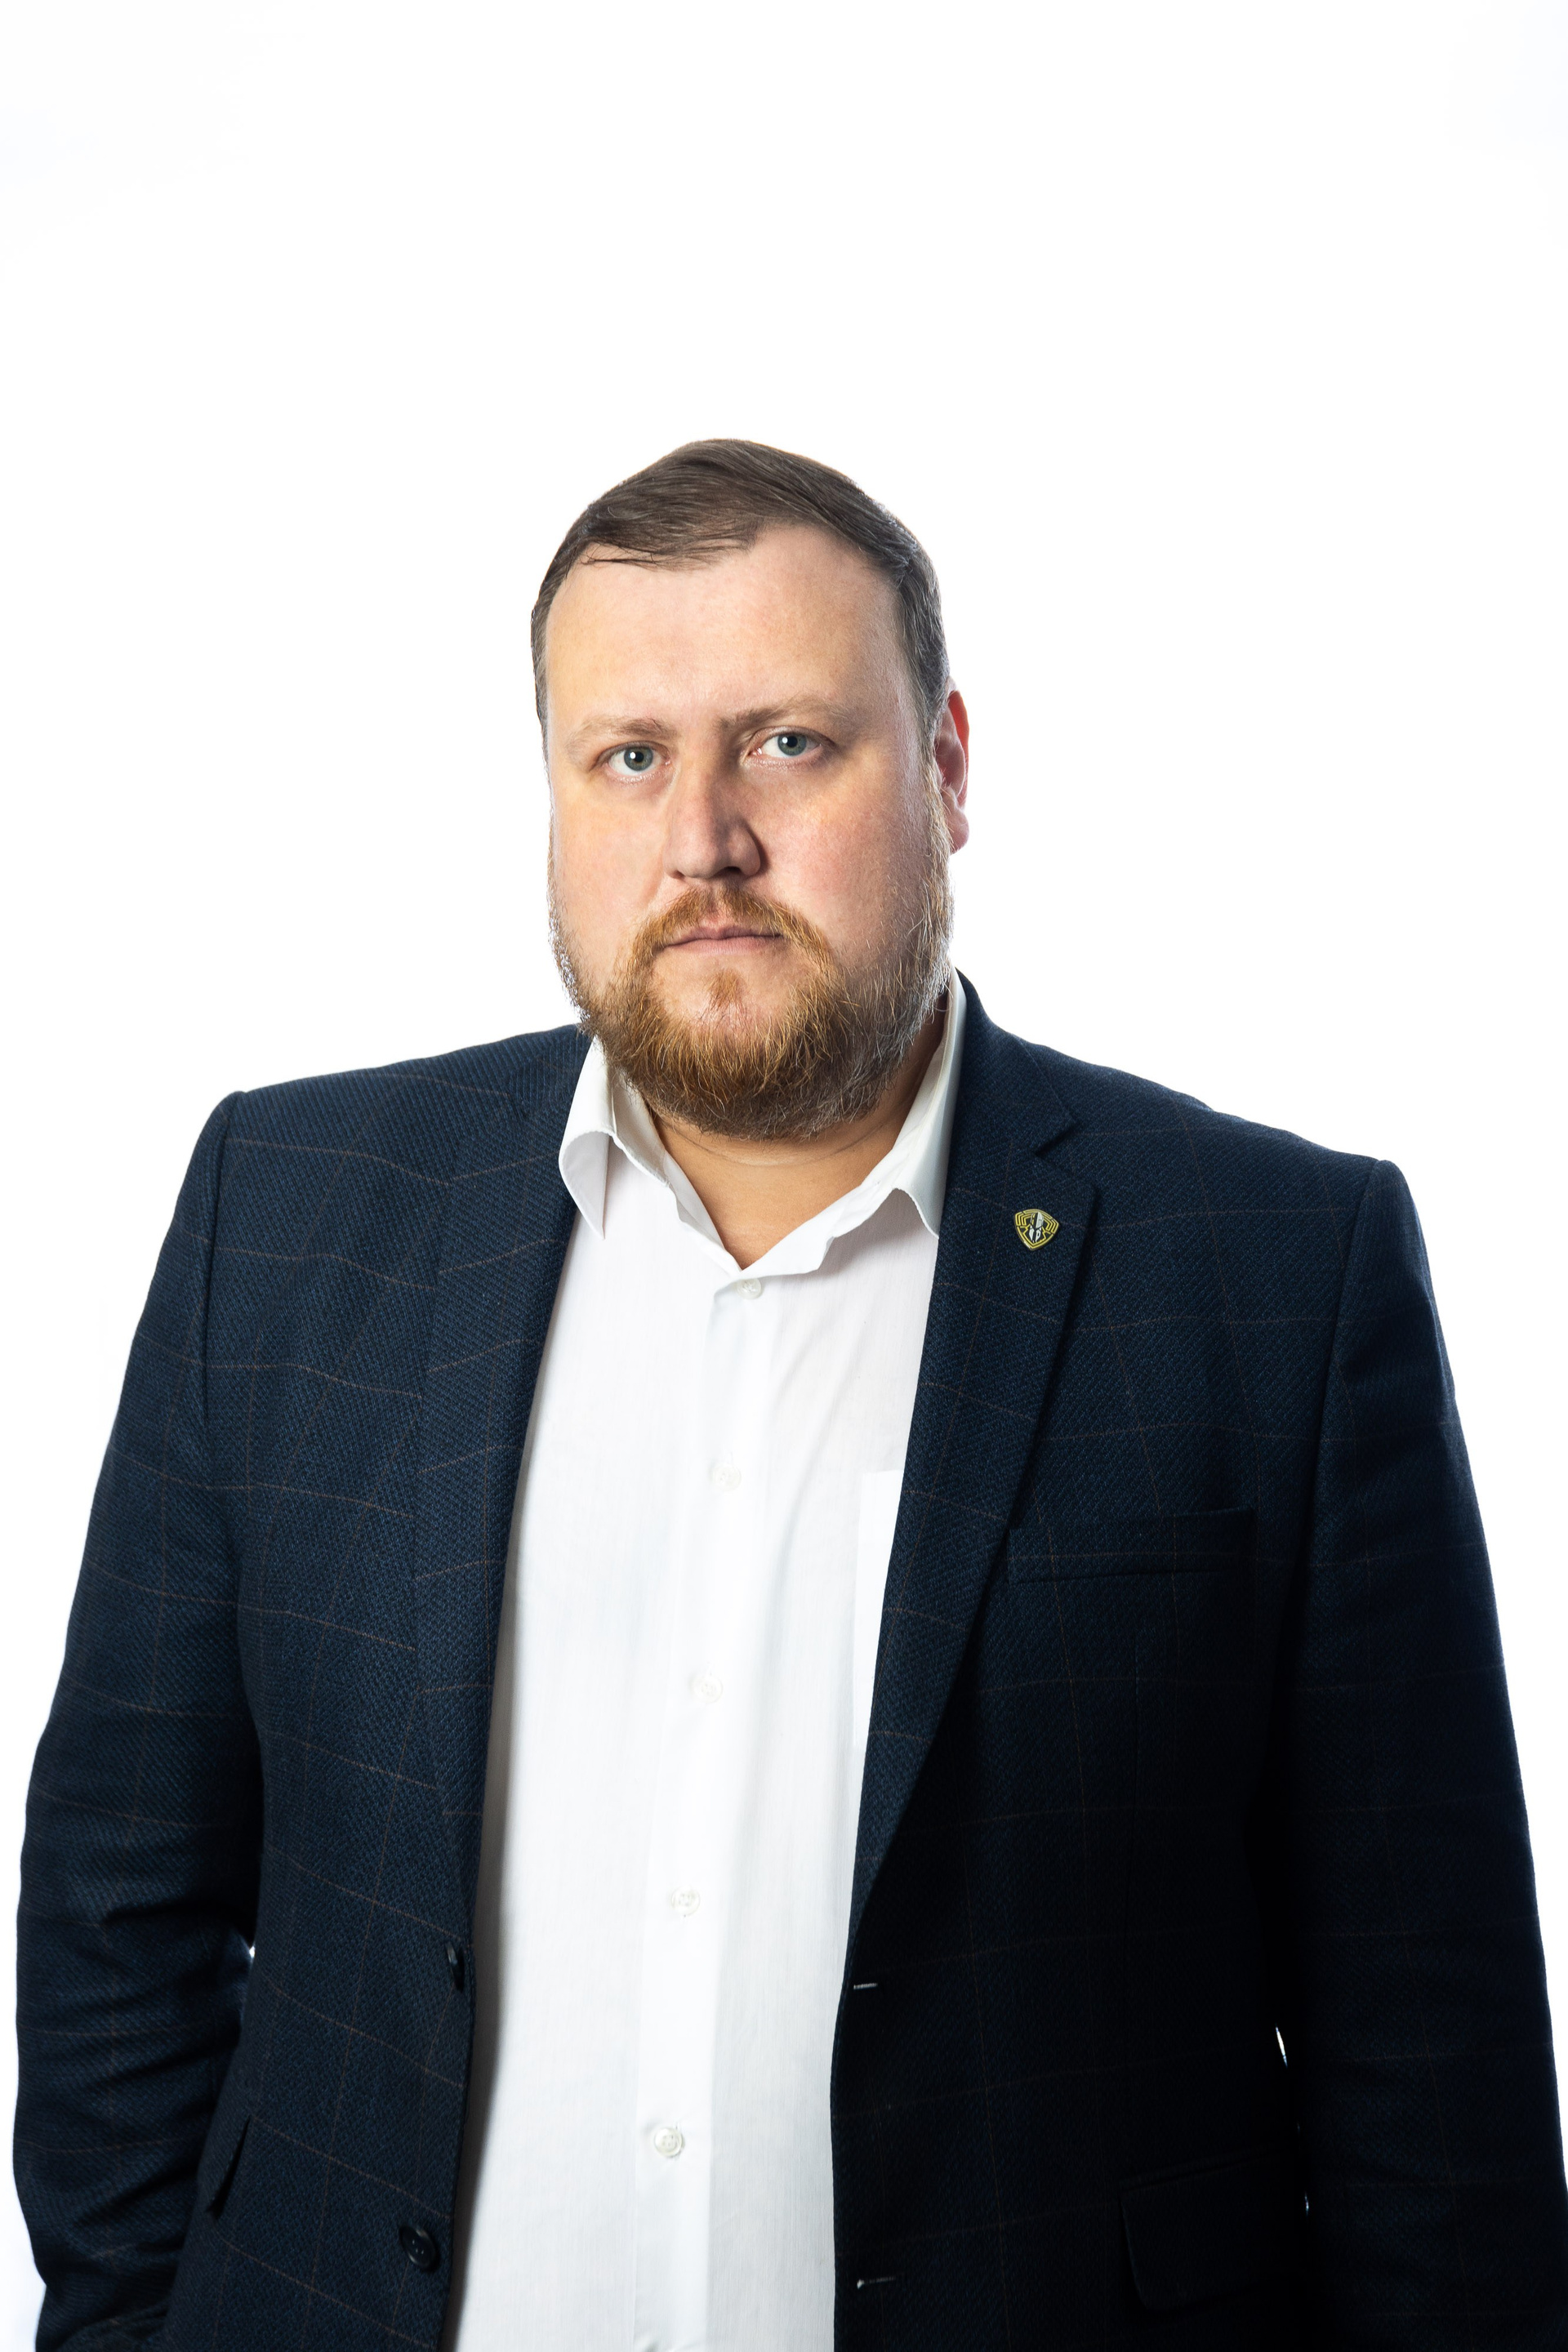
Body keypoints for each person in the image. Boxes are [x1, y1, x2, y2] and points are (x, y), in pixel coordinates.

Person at [15, 439, 1567, 2351]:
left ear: (950, 769)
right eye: (629, 756)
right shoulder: (290, 1212)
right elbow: (120, 1901)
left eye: (788, 745)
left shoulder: (1273, 1275)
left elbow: (1429, 2052)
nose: (705, 840)